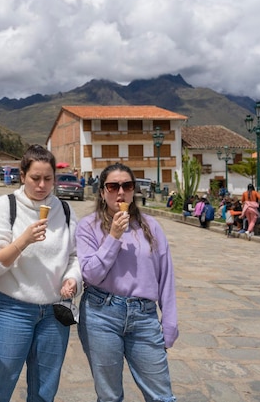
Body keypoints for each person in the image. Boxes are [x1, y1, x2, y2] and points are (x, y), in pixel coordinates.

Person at [0, 144, 82, 402]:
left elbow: (76, 256)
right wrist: (22, 241)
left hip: (54, 313)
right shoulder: (5, 206)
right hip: (14, 310)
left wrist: (72, 278)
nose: (42, 185)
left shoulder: (65, 211)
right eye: (35, 178)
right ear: (22, 176)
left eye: (48, 179)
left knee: (44, 391)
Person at [76, 162, 179, 402]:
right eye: (113, 186)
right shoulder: (88, 227)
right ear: (102, 192)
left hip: (144, 317)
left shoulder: (151, 227)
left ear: (134, 191)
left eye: (127, 186)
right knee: (110, 396)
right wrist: (113, 236)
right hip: (101, 315)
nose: (120, 192)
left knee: (162, 395)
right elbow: (90, 275)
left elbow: (166, 276)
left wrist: (170, 323)